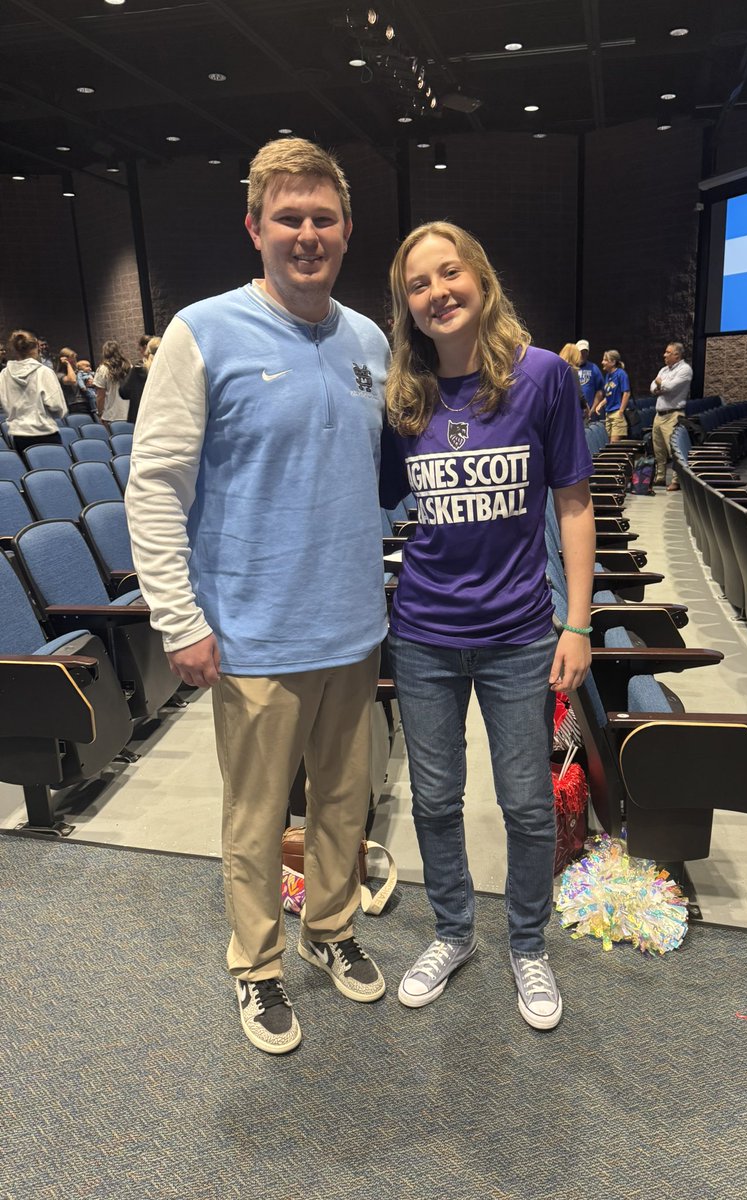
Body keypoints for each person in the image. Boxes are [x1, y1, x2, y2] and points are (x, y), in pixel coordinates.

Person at [125, 136, 391, 1055]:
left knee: (345, 804)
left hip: (353, 627)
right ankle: (259, 964)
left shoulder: (369, 341)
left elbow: (374, 479)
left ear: (346, 230)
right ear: (255, 229)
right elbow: (154, 486)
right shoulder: (203, 332)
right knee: (256, 816)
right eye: (288, 218)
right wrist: (179, 619)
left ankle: (331, 929)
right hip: (252, 633)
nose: (306, 234)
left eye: (323, 218)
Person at [381, 221, 595, 1030]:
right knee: (435, 800)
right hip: (424, 633)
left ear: (481, 277)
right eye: (418, 284)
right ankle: (452, 932)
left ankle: (528, 945)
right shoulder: (405, 397)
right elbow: (365, 494)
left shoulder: (543, 377)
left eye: (449, 273)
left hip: (520, 634)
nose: (437, 292)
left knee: (527, 804)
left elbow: (574, 506)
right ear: (406, 304)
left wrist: (578, 622)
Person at [0, 329, 67, 453]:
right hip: (45, 433)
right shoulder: (44, 372)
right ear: (37, 347)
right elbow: (57, 406)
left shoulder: (4, 374)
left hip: (19, 436)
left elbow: (5, 403)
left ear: (15, 349)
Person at [650, 341, 693, 491]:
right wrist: (659, 386)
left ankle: (676, 480)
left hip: (673, 415)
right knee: (658, 449)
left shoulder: (685, 369)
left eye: (668, 352)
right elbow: (652, 387)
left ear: (677, 355)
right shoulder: (663, 370)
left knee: (673, 450)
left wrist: (660, 385)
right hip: (659, 415)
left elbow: (670, 387)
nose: (664, 355)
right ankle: (660, 477)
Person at [119, 335, 160, 424]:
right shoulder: (166, 369)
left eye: (139, 349)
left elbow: (123, 392)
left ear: (145, 348)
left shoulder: (137, 369)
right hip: (160, 416)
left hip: (141, 418)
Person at [93, 339, 132, 426]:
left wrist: (100, 412)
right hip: (130, 414)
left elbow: (100, 396)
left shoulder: (103, 369)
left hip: (111, 416)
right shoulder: (129, 366)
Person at [596, 349, 631, 442]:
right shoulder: (608, 375)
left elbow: (626, 393)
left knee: (614, 445)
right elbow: (609, 394)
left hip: (617, 413)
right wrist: (600, 404)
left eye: (605, 360)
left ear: (613, 362)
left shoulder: (621, 374)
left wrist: (621, 411)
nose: (602, 362)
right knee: (608, 444)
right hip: (608, 413)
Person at [57, 346, 92, 415]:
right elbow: (72, 380)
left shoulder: (79, 372)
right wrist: (67, 364)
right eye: (72, 359)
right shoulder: (60, 375)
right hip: (75, 404)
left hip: (88, 401)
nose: (75, 362)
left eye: (75, 358)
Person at [575, 339, 603, 422]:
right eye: (580, 352)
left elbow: (600, 391)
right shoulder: (570, 368)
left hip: (589, 413)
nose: (582, 354)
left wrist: (592, 410)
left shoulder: (594, 368)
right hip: (573, 413)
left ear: (587, 353)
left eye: (584, 352)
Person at [558, 343, 588, 418]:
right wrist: (585, 406)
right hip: (569, 413)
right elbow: (579, 395)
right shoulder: (571, 370)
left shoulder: (555, 369)